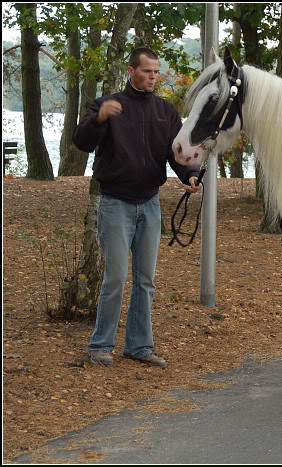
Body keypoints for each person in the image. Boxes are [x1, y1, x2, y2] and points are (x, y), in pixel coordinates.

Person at [73, 47, 201, 368]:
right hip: (115, 203)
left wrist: (192, 174)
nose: (153, 77)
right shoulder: (108, 105)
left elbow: (179, 152)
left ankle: (139, 346)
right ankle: (101, 345)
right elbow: (81, 141)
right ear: (132, 71)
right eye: (147, 71)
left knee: (146, 280)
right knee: (116, 277)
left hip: (150, 203)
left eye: (156, 72)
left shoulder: (165, 111)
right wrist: (99, 119)